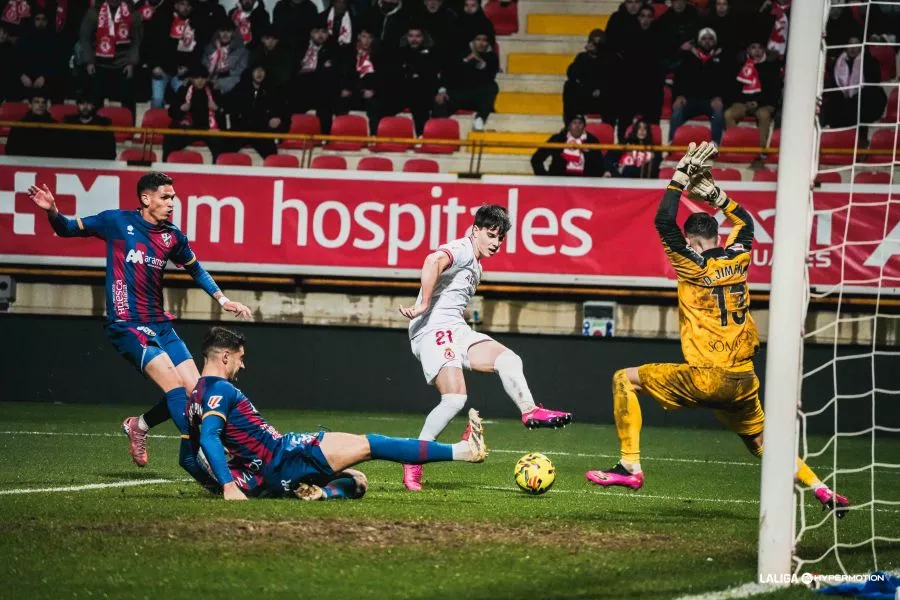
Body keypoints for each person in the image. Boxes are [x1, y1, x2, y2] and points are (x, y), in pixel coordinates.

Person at [584, 142, 851, 518]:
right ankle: (821, 490)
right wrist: (719, 197)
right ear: (717, 237)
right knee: (761, 442)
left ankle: (630, 466)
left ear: (692, 242)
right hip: (743, 380)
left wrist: (678, 178)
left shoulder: (692, 265)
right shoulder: (739, 256)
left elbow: (663, 222)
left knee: (623, 380)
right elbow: (747, 222)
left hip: (707, 376)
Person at [26, 172, 252, 468]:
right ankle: (207, 454)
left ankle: (140, 426)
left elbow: (196, 270)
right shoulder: (116, 222)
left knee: (195, 391)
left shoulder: (172, 236)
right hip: (127, 324)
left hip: (160, 323)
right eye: (166, 197)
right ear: (146, 199)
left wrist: (223, 299)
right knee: (173, 386)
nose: (172, 203)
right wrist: (53, 211)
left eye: (173, 197)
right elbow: (67, 229)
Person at [183, 326, 487, 500]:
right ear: (224, 356)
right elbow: (210, 437)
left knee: (358, 481)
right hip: (285, 455)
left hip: (265, 480)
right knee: (373, 444)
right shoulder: (222, 391)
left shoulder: (194, 397)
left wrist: (225, 485)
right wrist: (226, 487)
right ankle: (463, 450)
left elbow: (187, 458)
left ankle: (322, 494)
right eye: (240, 358)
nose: (242, 365)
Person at [397, 205, 572, 492]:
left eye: (500, 239)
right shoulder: (463, 249)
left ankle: (529, 410)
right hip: (431, 329)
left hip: (455, 329)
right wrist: (424, 303)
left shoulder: (476, 263)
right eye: (490, 235)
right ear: (475, 230)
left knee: (508, 359)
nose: (495, 243)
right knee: (454, 399)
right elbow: (433, 260)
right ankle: (414, 459)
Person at [78, 0, 143, 120]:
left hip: (123, 64)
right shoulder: (94, 13)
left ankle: (130, 130)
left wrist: (131, 63)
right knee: (95, 101)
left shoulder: (132, 14)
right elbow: (85, 39)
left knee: (128, 101)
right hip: (99, 64)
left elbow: (136, 41)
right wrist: (89, 61)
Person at [669, 27, 729, 145]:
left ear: (715, 41)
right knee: (677, 109)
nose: (707, 41)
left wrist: (719, 97)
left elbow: (726, 82)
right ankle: (672, 141)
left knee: (718, 111)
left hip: (710, 101)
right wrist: (679, 95)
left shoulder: (722, 59)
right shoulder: (688, 57)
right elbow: (679, 79)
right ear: (699, 41)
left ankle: (715, 144)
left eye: (710, 39)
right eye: (704, 39)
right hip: (690, 100)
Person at [724, 40, 782, 160]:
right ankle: (736, 144)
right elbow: (734, 90)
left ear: (764, 50)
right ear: (748, 50)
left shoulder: (772, 66)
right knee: (729, 114)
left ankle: (760, 150)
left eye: (760, 48)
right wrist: (746, 102)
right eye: (753, 47)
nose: (756, 51)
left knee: (763, 114)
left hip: (764, 103)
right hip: (744, 102)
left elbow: (773, 92)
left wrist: (758, 103)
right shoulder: (741, 65)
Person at [432, 30, 498, 132]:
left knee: (492, 86)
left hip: (477, 96)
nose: (481, 43)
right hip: (459, 93)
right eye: (478, 39)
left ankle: (480, 119)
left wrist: (480, 62)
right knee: (440, 100)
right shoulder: (459, 53)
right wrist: (442, 91)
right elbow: (447, 74)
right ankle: (439, 131)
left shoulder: (492, 57)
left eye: (484, 40)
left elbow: (489, 78)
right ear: (472, 41)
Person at [616, 3, 664, 143]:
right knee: (624, 119)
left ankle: (652, 155)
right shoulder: (628, 36)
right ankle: (622, 149)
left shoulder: (657, 37)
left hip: (650, 89)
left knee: (652, 122)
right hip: (631, 87)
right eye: (642, 16)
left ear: (652, 19)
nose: (645, 19)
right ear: (638, 18)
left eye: (649, 16)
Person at [382, 23, 441, 136]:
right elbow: (396, 75)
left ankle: (421, 137)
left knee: (422, 107)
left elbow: (430, 76)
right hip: (402, 92)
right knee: (385, 105)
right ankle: (384, 136)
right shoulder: (399, 52)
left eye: (417, 36)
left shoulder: (431, 54)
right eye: (411, 36)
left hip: (422, 94)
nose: (414, 39)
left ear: (422, 38)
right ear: (406, 37)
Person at [163, 64, 228, 161]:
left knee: (221, 143)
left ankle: (218, 170)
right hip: (189, 128)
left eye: (203, 77)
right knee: (170, 139)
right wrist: (181, 109)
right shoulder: (183, 90)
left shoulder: (214, 91)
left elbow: (223, 114)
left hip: (208, 129)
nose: (200, 80)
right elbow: (171, 112)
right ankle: (166, 166)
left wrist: (217, 109)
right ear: (192, 79)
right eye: (197, 77)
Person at [225, 63, 289, 158]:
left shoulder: (272, 90)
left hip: (261, 131)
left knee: (271, 155)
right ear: (251, 72)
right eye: (256, 70)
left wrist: (278, 119)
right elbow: (230, 107)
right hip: (241, 129)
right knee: (224, 151)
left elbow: (282, 110)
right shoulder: (240, 88)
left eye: (262, 70)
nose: (259, 73)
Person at [145, 0, 199, 109]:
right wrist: (154, 66)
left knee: (187, 98)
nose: (185, 8)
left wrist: (188, 68)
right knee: (157, 99)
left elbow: (198, 51)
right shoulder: (163, 19)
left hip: (181, 73)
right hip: (162, 69)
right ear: (175, 5)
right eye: (182, 4)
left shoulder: (195, 24)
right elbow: (151, 44)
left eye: (189, 5)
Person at [291, 18, 341, 134]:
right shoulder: (300, 47)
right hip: (301, 84)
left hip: (322, 86)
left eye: (324, 32)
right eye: (317, 32)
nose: (320, 35)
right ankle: (295, 134)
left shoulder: (333, 50)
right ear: (311, 33)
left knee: (326, 101)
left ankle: (323, 137)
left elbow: (334, 74)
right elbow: (293, 70)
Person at [562, 29, 617, 127]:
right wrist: (587, 56)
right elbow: (571, 74)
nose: (594, 45)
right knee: (569, 86)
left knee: (614, 93)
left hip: (604, 99)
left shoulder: (609, 59)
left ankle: (609, 128)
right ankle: (569, 126)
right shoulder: (582, 57)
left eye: (598, 43)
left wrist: (601, 90)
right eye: (592, 41)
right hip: (586, 96)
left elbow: (612, 80)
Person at [336, 26, 380, 133]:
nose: (366, 41)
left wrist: (373, 91)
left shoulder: (377, 55)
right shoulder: (347, 53)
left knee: (375, 105)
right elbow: (342, 74)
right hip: (351, 89)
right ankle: (339, 134)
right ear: (358, 37)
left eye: (370, 38)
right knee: (340, 101)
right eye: (364, 37)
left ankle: (374, 136)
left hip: (369, 91)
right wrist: (345, 89)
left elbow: (381, 78)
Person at [531, 114, 605, 177]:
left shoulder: (592, 140)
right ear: (568, 126)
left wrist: (592, 182)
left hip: (584, 185)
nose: (577, 126)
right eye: (574, 123)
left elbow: (600, 165)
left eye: (580, 123)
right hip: (559, 184)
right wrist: (545, 179)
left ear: (584, 126)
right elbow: (536, 159)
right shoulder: (558, 139)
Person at [14, 9, 62, 102]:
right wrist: (22, 75)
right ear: (33, 21)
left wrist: (45, 77)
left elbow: (56, 62)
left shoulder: (53, 40)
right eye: (38, 19)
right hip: (25, 80)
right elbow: (15, 60)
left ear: (47, 22)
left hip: (46, 81)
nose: (40, 22)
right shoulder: (24, 39)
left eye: (43, 19)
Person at [59, 92, 117, 160]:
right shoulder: (68, 122)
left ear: (93, 106)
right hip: (72, 162)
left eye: (88, 103)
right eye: (82, 104)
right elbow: (62, 148)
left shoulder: (103, 123)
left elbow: (110, 151)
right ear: (77, 105)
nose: (85, 107)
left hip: (96, 162)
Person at [5, 92, 60, 157]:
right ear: (30, 105)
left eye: (43, 102)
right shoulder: (19, 126)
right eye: (37, 102)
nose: (40, 105)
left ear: (46, 105)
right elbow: (10, 150)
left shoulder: (55, 125)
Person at [203, 17, 248, 95]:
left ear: (233, 33)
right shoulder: (209, 48)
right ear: (217, 32)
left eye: (228, 31)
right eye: (222, 31)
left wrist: (221, 82)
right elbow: (203, 68)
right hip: (209, 84)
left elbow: (241, 73)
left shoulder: (241, 51)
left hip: (231, 87)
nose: (225, 35)